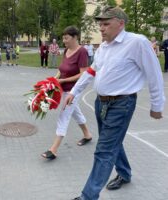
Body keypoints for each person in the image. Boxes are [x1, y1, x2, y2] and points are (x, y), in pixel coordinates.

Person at [64, 6, 165, 200]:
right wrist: (75, 92)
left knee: (104, 150)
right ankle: (125, 173)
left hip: (122, 104)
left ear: (121, 23)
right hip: (101, 104)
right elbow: (91, 72)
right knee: (111, 142)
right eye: (100, 24)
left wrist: (156, 105)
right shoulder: (104, 46)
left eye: (106, 24)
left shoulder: (137, 43)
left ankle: (88, 196)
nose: (101, 28)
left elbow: (154, 74)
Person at [41, 26, 92, 160]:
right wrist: (54, 79)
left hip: (74, 90)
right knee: (75, 112)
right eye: (63, 38)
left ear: (75, 37)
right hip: (63, 88)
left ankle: (54, 149)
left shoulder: (82, 52)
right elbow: (62, 69)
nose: (64, 41)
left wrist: (64, 80)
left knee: (64, 116)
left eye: (66, 38)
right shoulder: (67, 50)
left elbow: (83, 75)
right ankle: (87, 135)